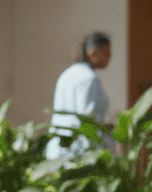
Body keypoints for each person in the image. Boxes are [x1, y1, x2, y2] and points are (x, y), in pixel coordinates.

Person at [45, 31, 112, 159]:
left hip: (59, 148)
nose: (110, 57)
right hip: (78, 152)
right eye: (107, 53)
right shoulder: (89, 78)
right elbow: (86, 119)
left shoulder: (67, 74)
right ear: (92, 53)